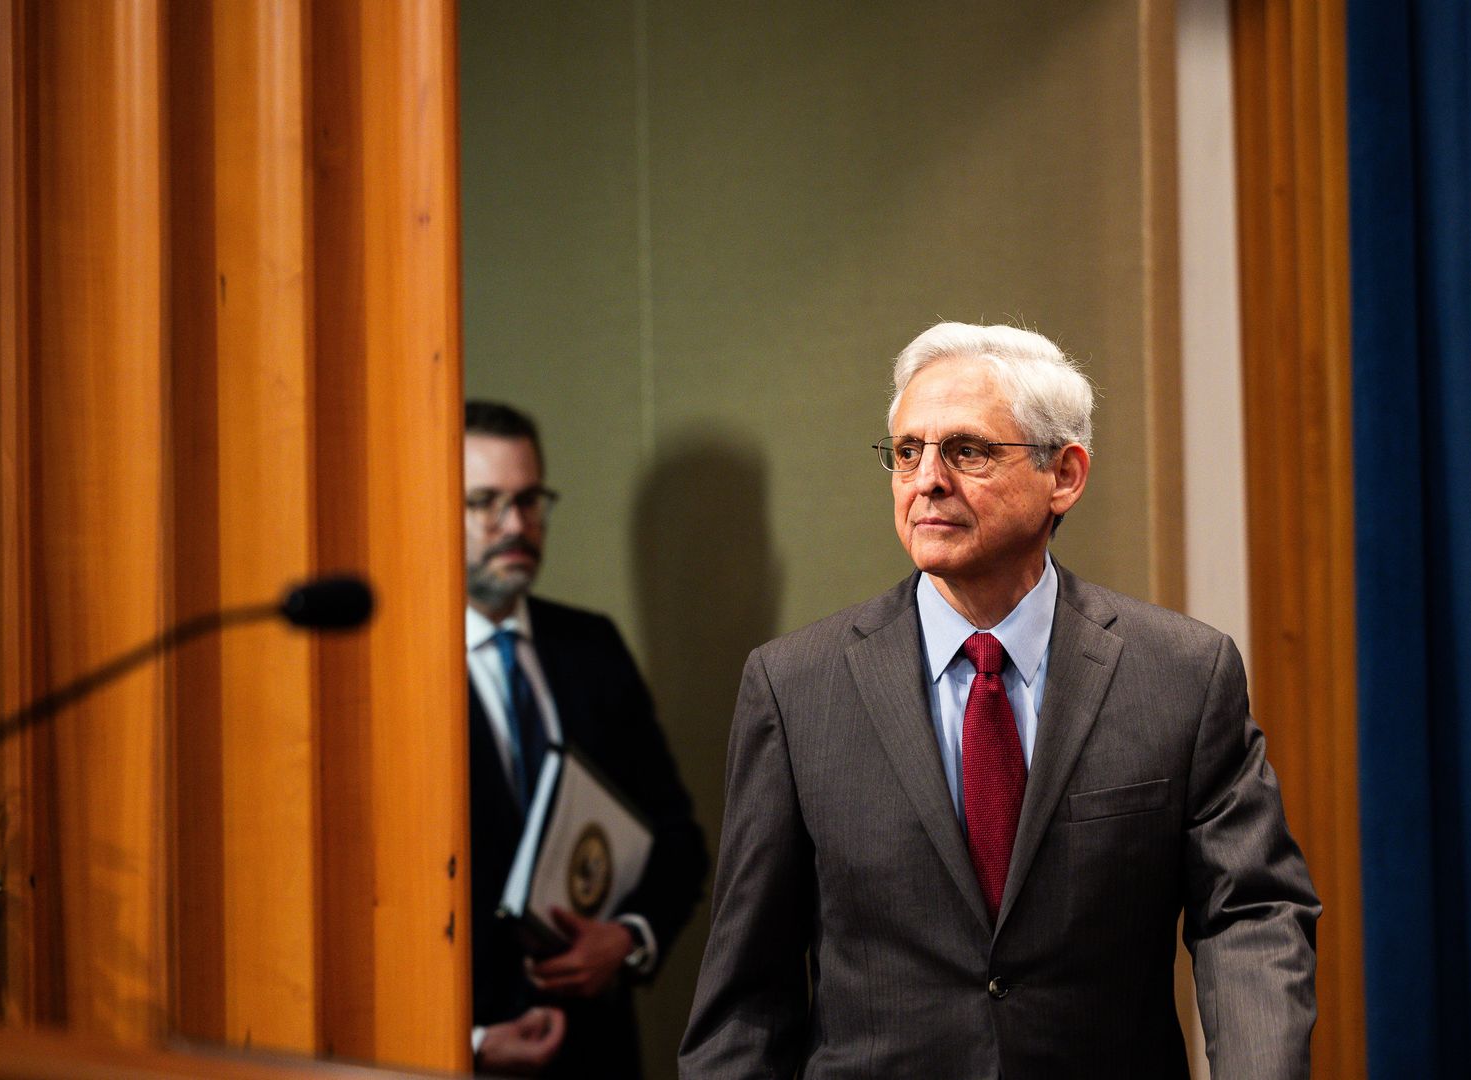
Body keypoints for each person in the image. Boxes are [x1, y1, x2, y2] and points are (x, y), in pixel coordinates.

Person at [679, 323, 1319, 1078]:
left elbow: (1250, 916)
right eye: (908, 451)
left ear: (1065, 475)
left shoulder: (1180, 674)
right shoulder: (795, 689)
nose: (927, 480)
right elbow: (747, 1000)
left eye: (967, 451)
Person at [465, 400, 708, 1078]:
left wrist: (628, 940)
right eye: (486, 502)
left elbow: (677, 840)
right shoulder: (392, 677)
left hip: (598, 1053)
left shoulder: (591, 646)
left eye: (529, 499)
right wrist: (475, 1041)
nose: (516, 525)